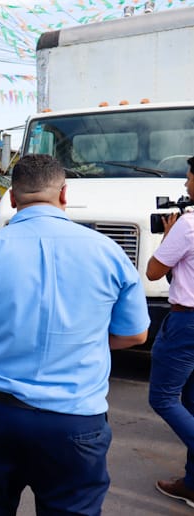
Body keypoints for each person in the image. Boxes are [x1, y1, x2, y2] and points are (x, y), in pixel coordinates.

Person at [0, 154, 149, 514]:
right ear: (64, 194)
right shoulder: (108, 252)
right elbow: (136, 335)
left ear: (13, 198)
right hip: (76, 420)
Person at [147, 156, 194, 507]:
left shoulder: (187, 225)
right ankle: (192, 484)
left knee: (162, 398)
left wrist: (168, 235)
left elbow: (152, 270)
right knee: (192, 400)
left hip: (186, 322)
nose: (185, 185)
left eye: (189, 177)